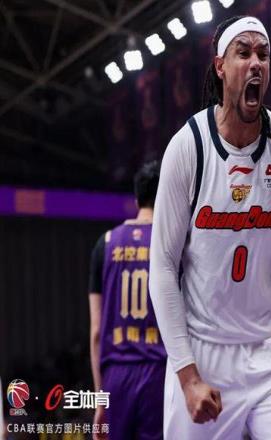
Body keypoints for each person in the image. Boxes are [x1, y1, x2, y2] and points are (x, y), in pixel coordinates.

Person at [149, 15, 271, 440]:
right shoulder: (188, 147)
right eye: (243, 53)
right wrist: (188, 375)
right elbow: (163, 267)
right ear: (220, 67)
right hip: (205, 354)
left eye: (263, 54)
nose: (256, 63)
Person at [89, 161, 166, 440]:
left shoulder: (105, 243)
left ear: (136, 199)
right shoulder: (171, 243)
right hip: (160, 372)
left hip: (116, 376)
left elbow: (96, 332)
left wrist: (100, 399)